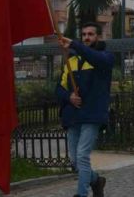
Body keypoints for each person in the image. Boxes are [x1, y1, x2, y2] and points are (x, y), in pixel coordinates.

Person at [56, 22, 114, 197]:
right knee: (75, 161)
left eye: (90, 34)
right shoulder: (71, 61)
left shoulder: (105, 57)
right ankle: (96, 180)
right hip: (73, 116)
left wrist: (75, 45)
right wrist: (69, 97)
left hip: (92, 115)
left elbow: (95, 58)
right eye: (84, 34)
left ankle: (81, 194)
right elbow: (59, 88)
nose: (87, 37)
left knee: (82, 156)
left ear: (98, 37)